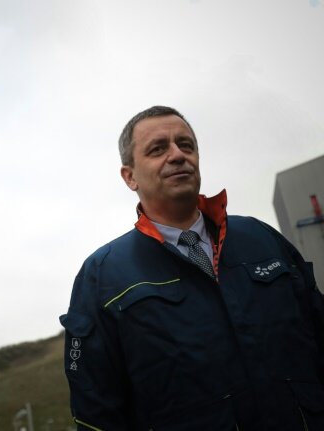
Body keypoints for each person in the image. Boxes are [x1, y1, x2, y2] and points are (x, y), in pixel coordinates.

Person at [59, 106, 324, 430]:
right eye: (158, 149)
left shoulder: (262, 239)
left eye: (186, 145)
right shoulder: (103, 276)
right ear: (130, 176)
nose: (177, 155)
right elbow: (96, 412)